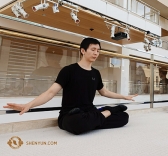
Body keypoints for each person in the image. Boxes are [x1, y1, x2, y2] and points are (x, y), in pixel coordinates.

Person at [4, 38, 138, 135]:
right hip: (70, 114)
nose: (96, 53)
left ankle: (100, 116)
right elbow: (50, 92)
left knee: (124, 118)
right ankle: (108, 111)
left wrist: (124, 96)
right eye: (93, 49)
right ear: (83, 50)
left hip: (89, 112)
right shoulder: (68, 70)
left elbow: (104, 92)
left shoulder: (96, 73)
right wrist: (28, 105)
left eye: (98, 50)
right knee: (76, 123)